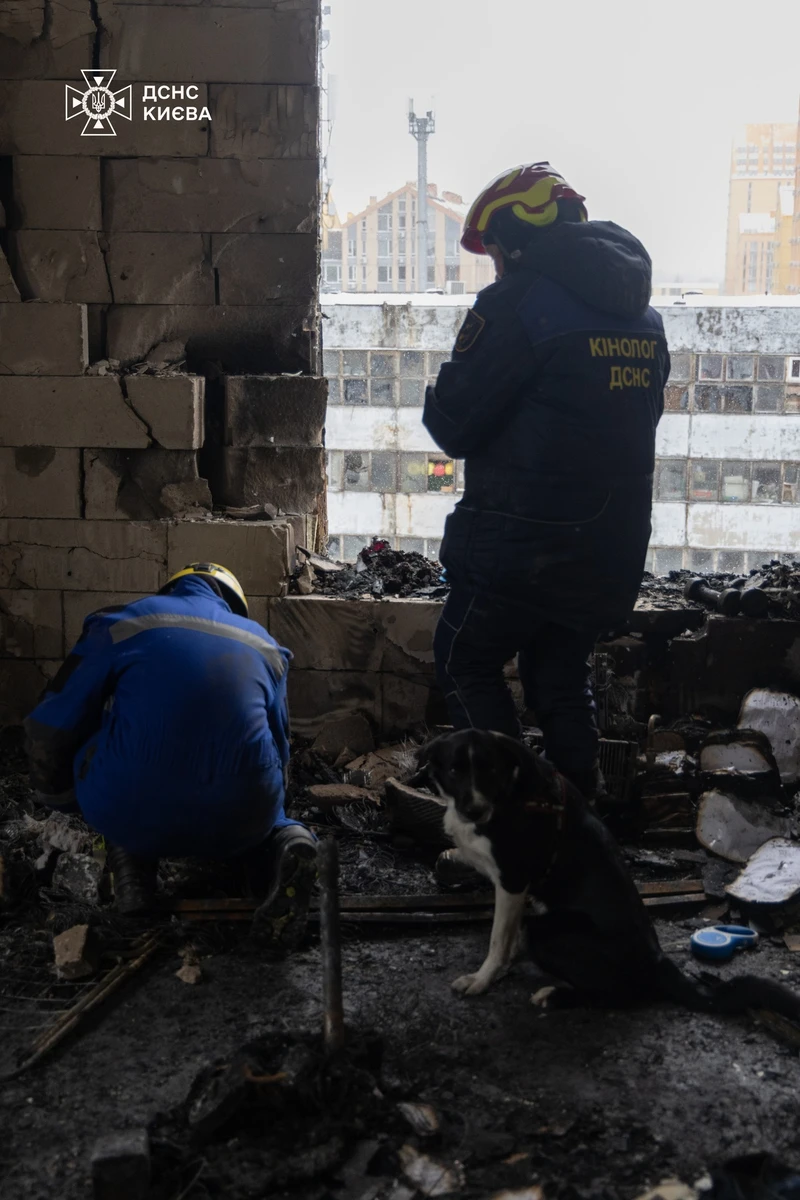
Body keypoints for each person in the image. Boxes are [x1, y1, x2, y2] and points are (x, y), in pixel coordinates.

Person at [423, 163, 669, 803]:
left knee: (464, 658)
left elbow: (454, 424)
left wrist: (444, 389)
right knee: (559, 674)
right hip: (611, 545)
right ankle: (579, 822)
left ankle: (512, 816)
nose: (496, 266)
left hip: (524, 542)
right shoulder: (644, 318)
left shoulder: (517, 303)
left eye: (494, 251)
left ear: (515, 236)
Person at [23, 562, 316, 947]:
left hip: (128, 805)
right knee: (252, 767)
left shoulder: (124, 622)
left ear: (171, 589)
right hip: (242, 817)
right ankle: (285, 840)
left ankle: (132, 868)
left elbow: (51, 722)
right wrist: (267, 812)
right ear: (234, 606)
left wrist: (58, 797)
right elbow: (280, 750)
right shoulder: (266, 646)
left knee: (106, 729)